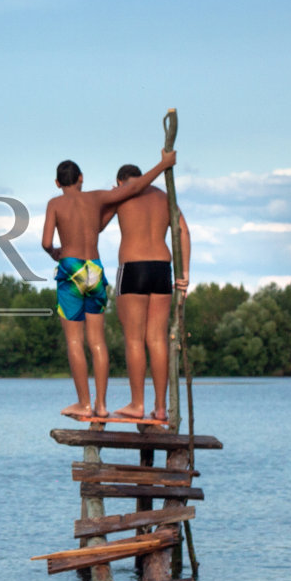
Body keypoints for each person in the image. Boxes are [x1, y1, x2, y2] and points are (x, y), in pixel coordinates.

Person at [41, 150, 176, 419]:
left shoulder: (54, 204)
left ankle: (85, 404)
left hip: (70, 268)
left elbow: (46, 242)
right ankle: (102, 405)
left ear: (57, 183)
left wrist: (55, 252)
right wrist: (162, 165)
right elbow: (134, 188)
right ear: (81, 178)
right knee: (98, 341)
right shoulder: (97, 197)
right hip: (93, 268)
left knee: (75, 342)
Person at [100, 163, 191, 421]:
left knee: (134, 339)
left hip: (132, 268)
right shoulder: (163, 196)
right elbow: (183, 231)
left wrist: (112, 198)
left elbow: (97, 225)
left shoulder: (123, 194)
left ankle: (137, 404)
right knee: (157, 339)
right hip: (163, 268)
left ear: (120, 182)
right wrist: (184, 274)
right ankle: (161, 407)